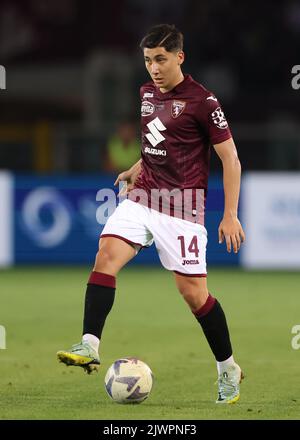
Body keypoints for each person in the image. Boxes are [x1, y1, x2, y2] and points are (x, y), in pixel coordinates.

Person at [57, 24, 246, 404]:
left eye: (160, 59)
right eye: (147, 61)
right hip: (142, 199)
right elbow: (156, 146)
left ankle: (228, 368)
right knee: (106, 255)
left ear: (180, 57)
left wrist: (230, 214)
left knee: (194, 295)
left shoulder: (203, 102)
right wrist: (135, 170)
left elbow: (231, 158)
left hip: (182, 210)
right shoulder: (146, 94)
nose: (154, 68)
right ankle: (90, 344)